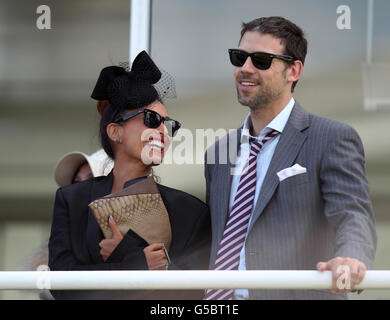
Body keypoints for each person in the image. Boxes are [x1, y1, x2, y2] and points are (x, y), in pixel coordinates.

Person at [204, 16, 377, 300]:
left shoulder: (331, 138)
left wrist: (350, 258)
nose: (245, 69)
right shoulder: (218, 153)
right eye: (239, 57)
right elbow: (211, 239)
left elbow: (352, 214)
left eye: (260, 60)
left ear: (293, 71)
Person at [48, 51, 211, 300]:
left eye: (169, 125)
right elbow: (61, 286)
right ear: (115, 131)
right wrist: (135, 265)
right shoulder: (72, 200)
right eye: (152, 119)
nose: (163, 132)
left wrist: (128, 252)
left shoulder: (190, 210)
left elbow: (196, 294)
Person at [19, 148, 113, 300]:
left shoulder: (146, 226)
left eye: (90, 179)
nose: (78, 189)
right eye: (76, 182)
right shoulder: (60, 248)